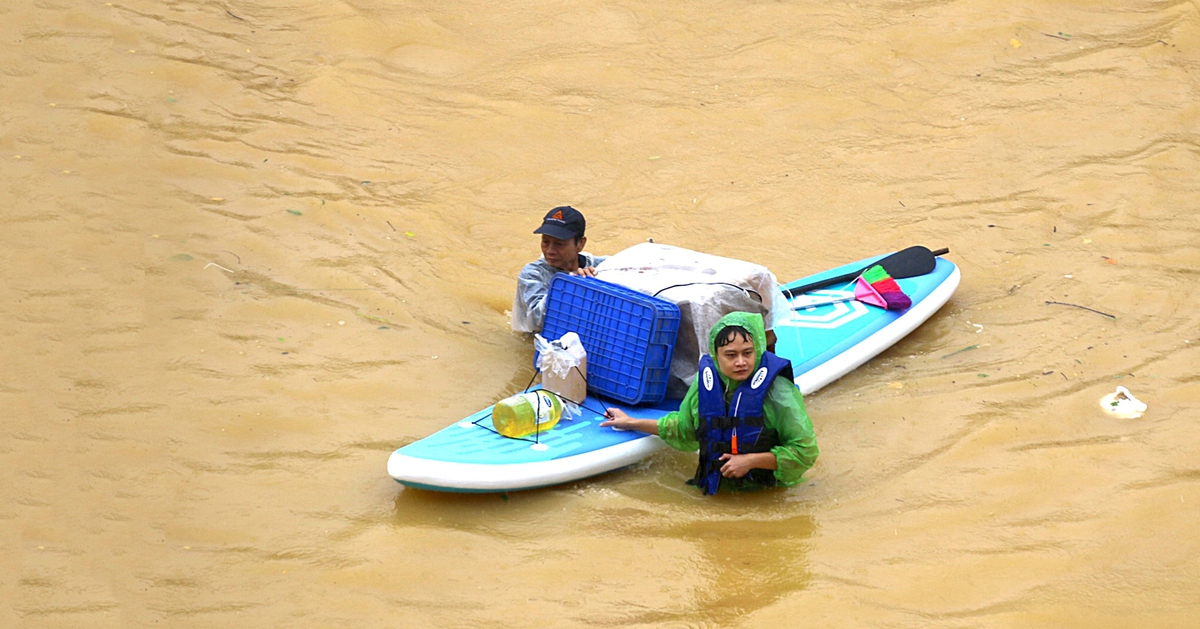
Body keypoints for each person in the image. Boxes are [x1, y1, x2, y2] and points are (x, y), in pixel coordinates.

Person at [600, 311, 818, 495]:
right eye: (731, 355)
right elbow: (683, 429)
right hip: (716, 489)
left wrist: (750, 461)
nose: (741, 362)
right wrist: (631, 422)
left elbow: (805, 452)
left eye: (748, 353)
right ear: (716, 356)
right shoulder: (705, 384)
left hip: (768, 493)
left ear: (758, 351)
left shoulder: (779, 392)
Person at [511, 206, 607, 333]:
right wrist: (570, 287)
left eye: (559, 244)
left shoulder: (601, 267)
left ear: (580, 244)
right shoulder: (532, 274)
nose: (550, 251)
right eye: (545, 242)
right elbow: (535, 321)